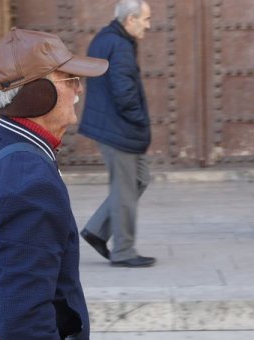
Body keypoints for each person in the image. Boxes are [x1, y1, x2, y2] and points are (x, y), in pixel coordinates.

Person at [0, 28, 108, 339]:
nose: (79, 90)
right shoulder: (31, 184)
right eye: (69, 80)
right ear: (38, 94)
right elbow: (25, 318)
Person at [78, 0, 155, 267]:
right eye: (145, 19)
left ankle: (97, 229)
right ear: (130, 19)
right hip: (118, 127)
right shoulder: (119, 45)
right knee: (125, 188)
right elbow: (124, 94)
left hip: (112, 125)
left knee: (139, 179)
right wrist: (140, 122)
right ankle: (123, 252)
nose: (148, 25)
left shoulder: (106, 38)